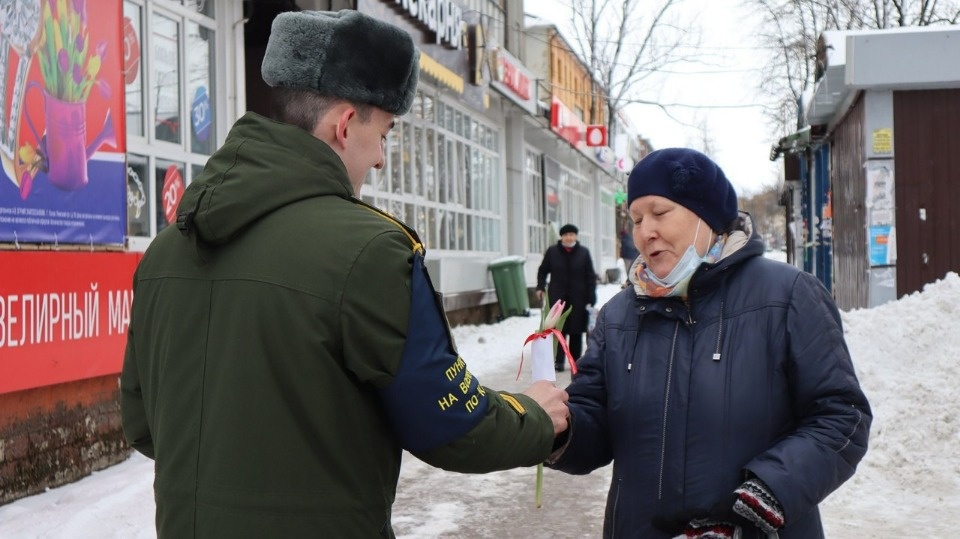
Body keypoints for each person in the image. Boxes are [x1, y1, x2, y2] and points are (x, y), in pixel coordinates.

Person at [120, 10, 569, 538]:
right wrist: (534, 416)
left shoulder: (166, 250)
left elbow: (145, 424)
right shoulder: (373, 251)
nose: (380, 160)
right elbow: (451, 427)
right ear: (346, 123)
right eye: (385, 133)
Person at [546, 148, 871, 538]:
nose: (645, 231)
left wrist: (763, 498)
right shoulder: (619, 316)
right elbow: (594, 422)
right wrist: (558, 428)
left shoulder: (787, 296)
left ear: (706, 216)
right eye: (635, 218)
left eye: (660, 212)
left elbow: (841, 416)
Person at [535, 224, 597, 372]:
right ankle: (558, 361)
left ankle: (575, 361)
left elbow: (590, 276)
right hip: (558, 298)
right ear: (561, 236)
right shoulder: (552, 252)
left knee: (576, 331)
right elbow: (542, 271)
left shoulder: (583, 253)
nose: (569, 237)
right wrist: (540, 287)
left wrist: (591, 296)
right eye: (566, 235)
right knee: (558, 330)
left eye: (572, 234)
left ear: (576, 236)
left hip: (578, 298)